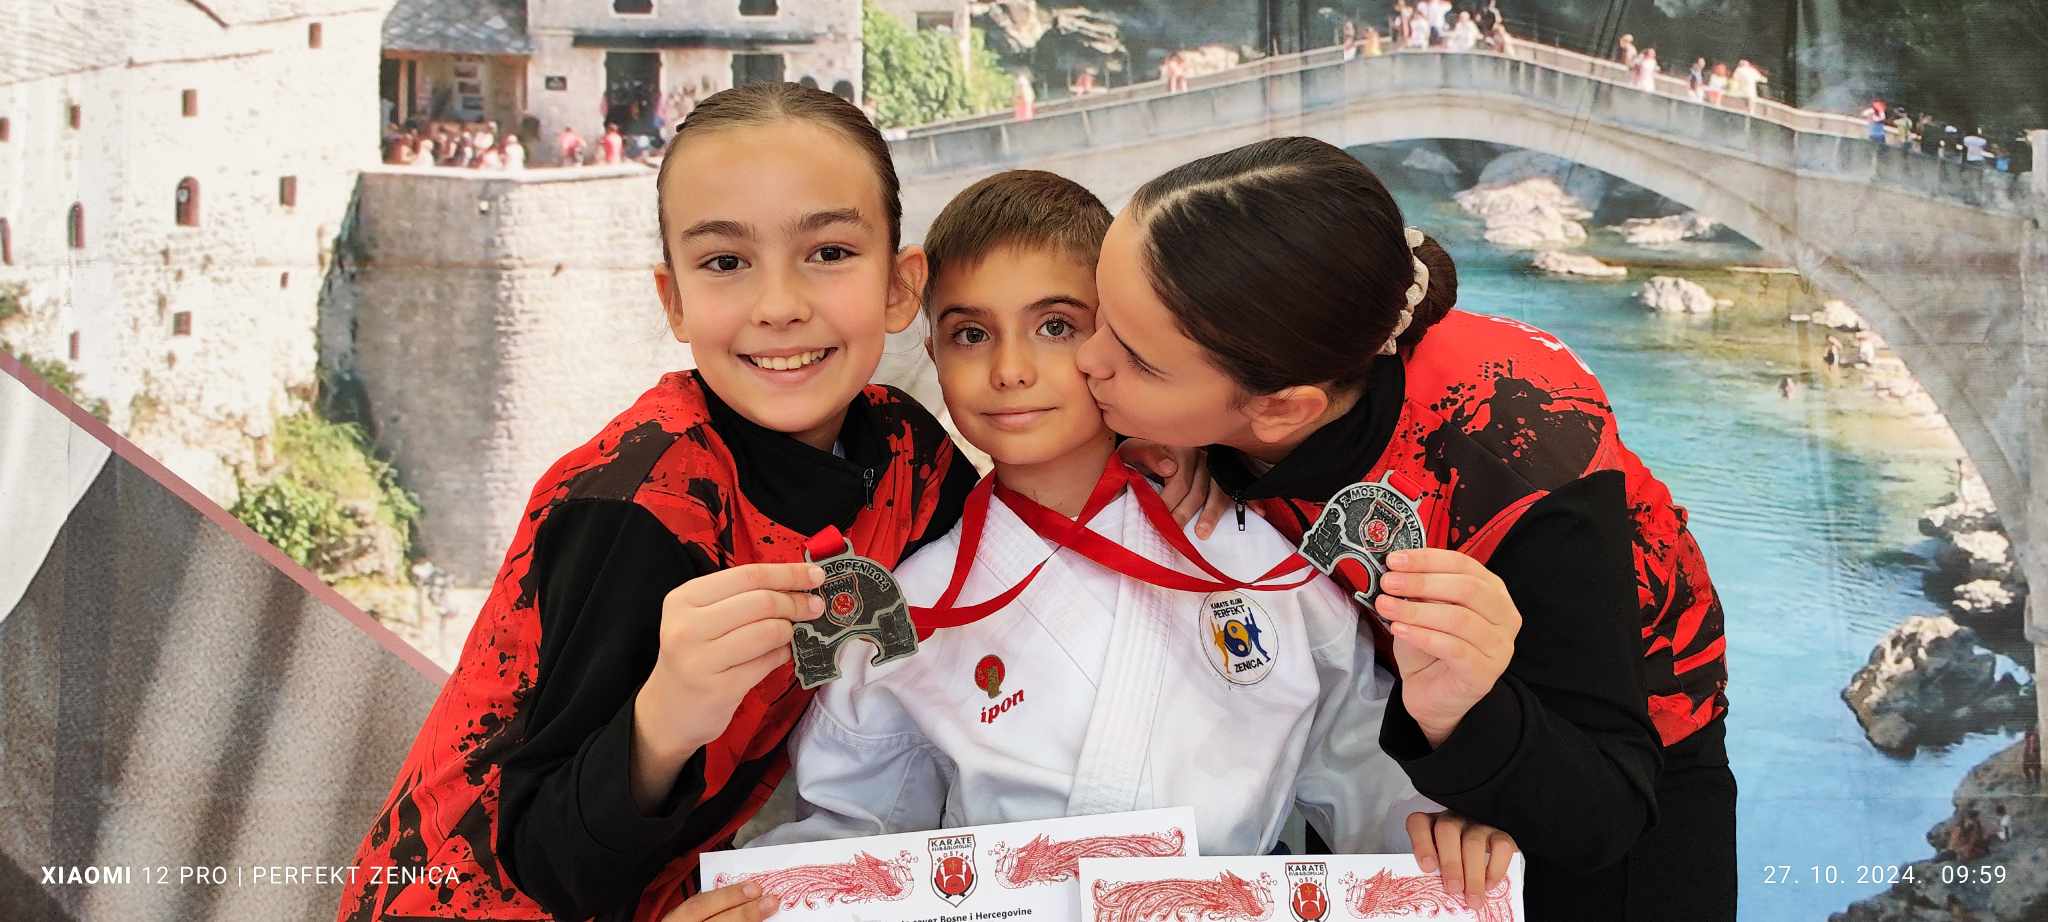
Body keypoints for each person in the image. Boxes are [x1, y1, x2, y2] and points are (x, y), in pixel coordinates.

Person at [756, 169, 1520, 900]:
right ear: (933, 354)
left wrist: (1440, 834)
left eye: (1056, 326)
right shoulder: (911, 608)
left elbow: (1365, 774)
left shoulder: (1265, 565)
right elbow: (854, 834)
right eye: (970, 333)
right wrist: (768, 898)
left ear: (1119, 342)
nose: (1010, 369)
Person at [333, 82, 991, 922]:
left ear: (901, 287)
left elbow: (1011, 574)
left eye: (828, 252)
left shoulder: (907, 457)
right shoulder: (639, 504)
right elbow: (536, 848)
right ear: (674, 300)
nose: (779, 306)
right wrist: (667, 717)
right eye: (725, 263)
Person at [1076, 137, 1736, 919]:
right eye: (1097, 313)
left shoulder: (1526, 460)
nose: (1086, 359)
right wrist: (1193, 437)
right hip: (1395, 756)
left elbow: (1607, 806)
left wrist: (1467, 717)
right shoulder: (1287, 356)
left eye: (1138, 359)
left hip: (1622, 779)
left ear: (1283, 408)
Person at [2023, 724, 2041, 789]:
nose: (2026, 731)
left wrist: (2033, 750)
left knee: (2036, 769)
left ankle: (2036, 783)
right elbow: (2027, 745)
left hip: (2034, 755)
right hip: (2028, 755)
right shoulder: (2027, 736)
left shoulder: (2035, 736)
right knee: (2025, 768)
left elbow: (2037, 746)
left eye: (2027, 729)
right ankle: (2030, 781)